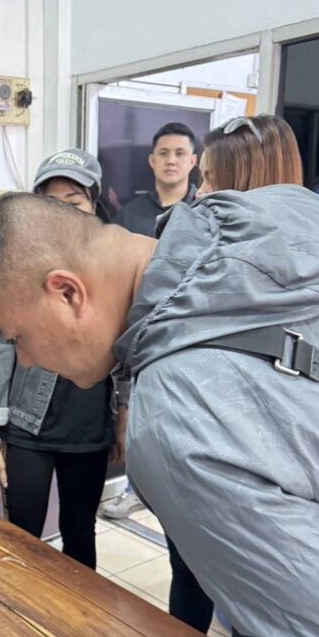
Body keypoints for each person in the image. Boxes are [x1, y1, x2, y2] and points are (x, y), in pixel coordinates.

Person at [0, 138, 319, 637]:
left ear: (68, 291)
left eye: (16, 338)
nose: (26, 361)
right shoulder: (287, 209)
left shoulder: (174, 426)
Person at [0, 150, 116, 569]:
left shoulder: (116, 264)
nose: (64, 211)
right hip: (27, 426)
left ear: (93, 203)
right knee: (22, 539)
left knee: (80, 533)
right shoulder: (15, 265)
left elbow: (128, 347)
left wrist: (125, 414)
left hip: (90, 428)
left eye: (75, 199)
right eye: (51, 202)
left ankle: (78, 610)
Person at [102, 121, 198, 521]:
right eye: (164, 153)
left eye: (180, 153)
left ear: (193, 161)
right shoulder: (129, 215)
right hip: (139, 336)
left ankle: (183, 499)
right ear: (151, 161)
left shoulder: (206, 213)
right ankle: (135, 488)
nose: (171, 160)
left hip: (188, 336)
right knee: (136, 419)